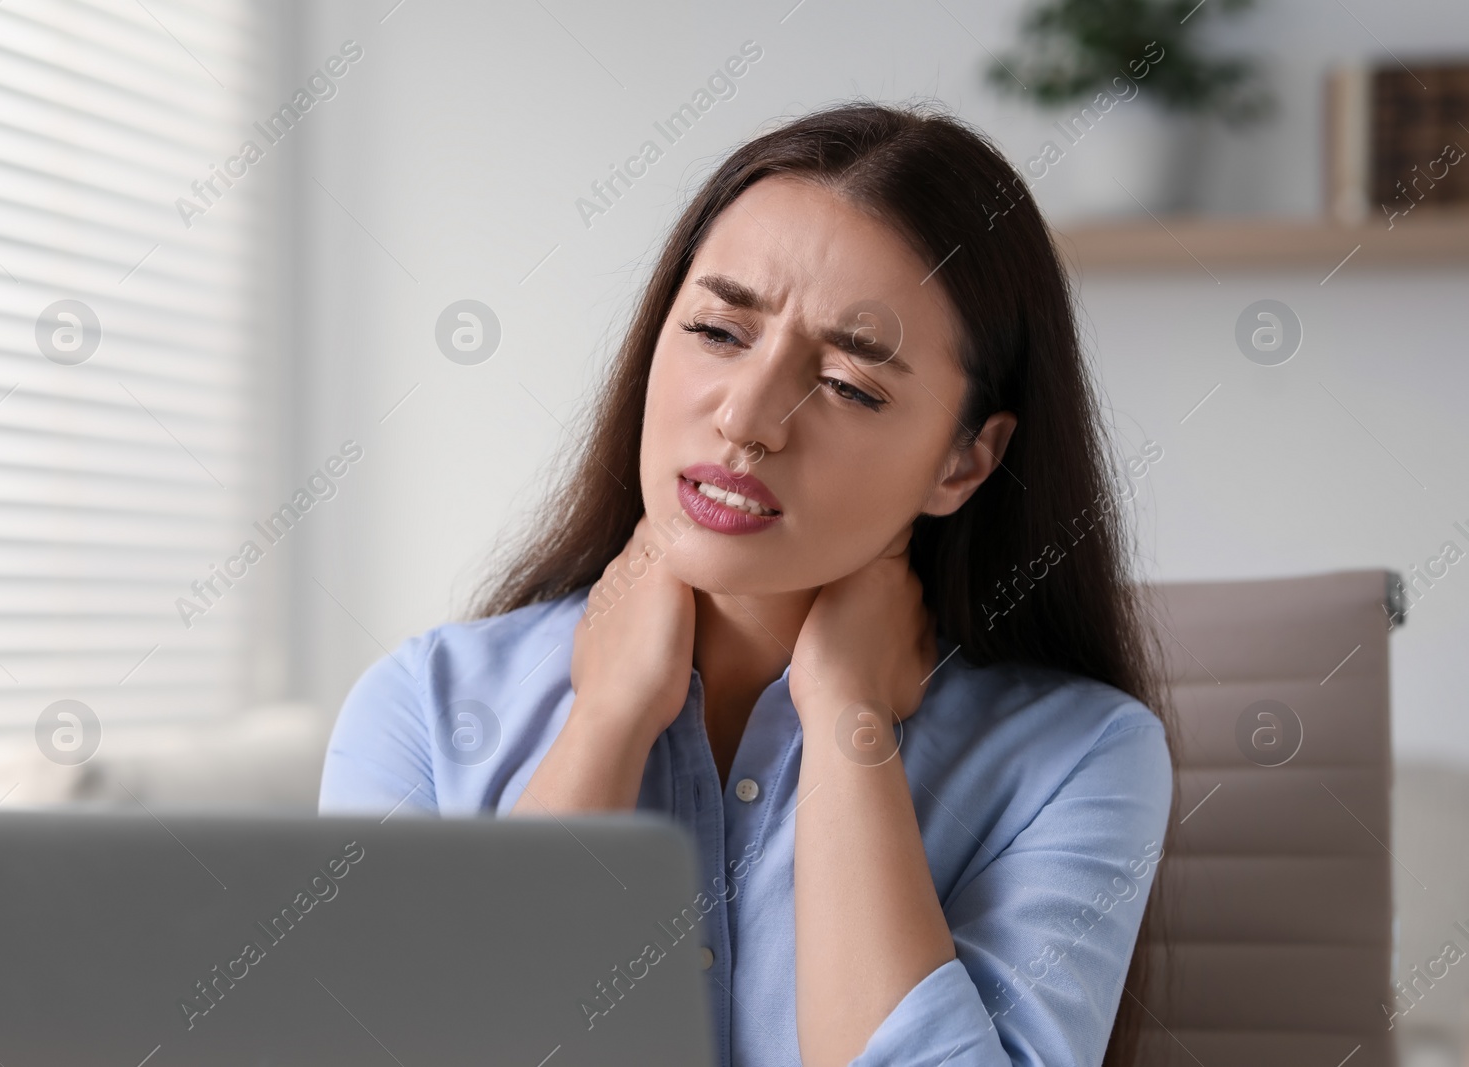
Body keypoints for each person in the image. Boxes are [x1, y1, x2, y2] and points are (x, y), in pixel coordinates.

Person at [320, 100, 1175, 1067]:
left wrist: (852, 722)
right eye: (722, 331)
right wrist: (605, 724)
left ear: (965, 461)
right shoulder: (424, 711)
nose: (751, 419)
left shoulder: (1078, 758)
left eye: (851, 385)